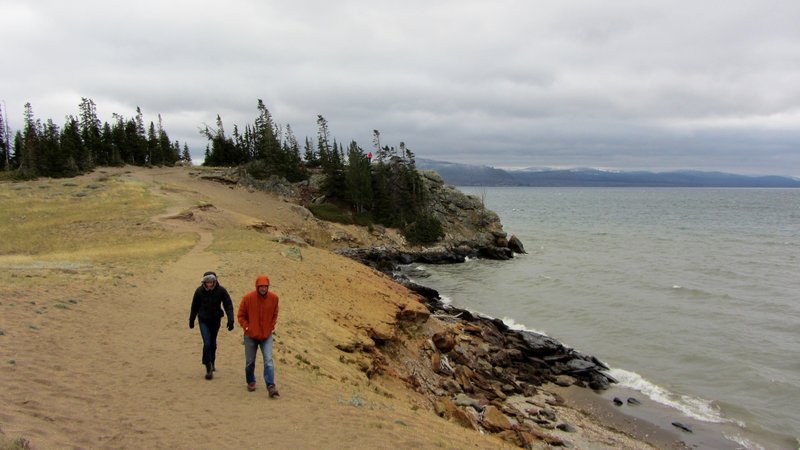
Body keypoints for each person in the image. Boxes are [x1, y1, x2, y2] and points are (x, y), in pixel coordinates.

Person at [237, 274, 280, 397]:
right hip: (250, 336)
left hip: (266, 336)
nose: (263, 288)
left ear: (268, 287)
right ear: (257, 286)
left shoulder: (274, 298)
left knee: (269, 361)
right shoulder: (248, 298)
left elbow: (275, 313)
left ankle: (271, 386)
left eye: (265, 286)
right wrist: (247, 328)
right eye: (261, 286)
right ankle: (251, 381)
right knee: (250, 361)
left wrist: (271, 326)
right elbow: (241, 315)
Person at [189, 271, 235, 380]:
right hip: (203, 320)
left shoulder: (221, 291)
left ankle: (212, 361)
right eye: (207, 282)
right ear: (204, 282)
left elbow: (228, 305)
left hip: (215, 320)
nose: (209, 284)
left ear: (215, 281)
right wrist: (191, 320)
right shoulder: (199, 291)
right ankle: (208, 366)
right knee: (207, 343)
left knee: (213, 343)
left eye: (211, 282)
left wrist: (231, 320)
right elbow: (194, 306)